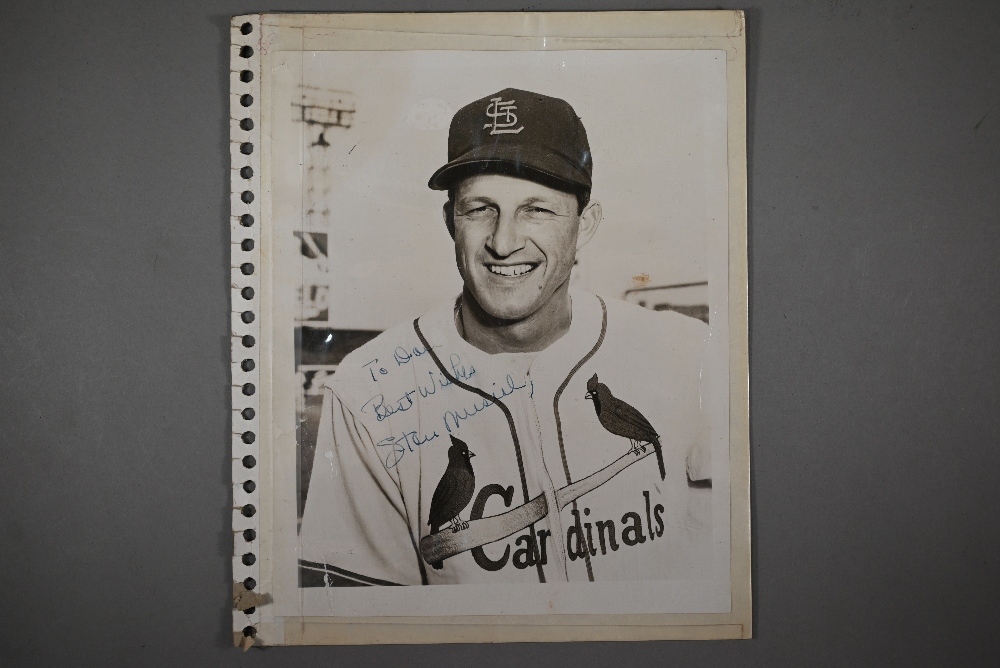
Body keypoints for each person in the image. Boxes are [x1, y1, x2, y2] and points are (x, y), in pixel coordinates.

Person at [299, 88, 711, 586]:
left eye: (536, 209)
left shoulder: (690, 354)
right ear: (449, 220)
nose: (503, 241)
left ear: (585, 225)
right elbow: (359, 621)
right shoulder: (367, 390)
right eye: (479, 209)